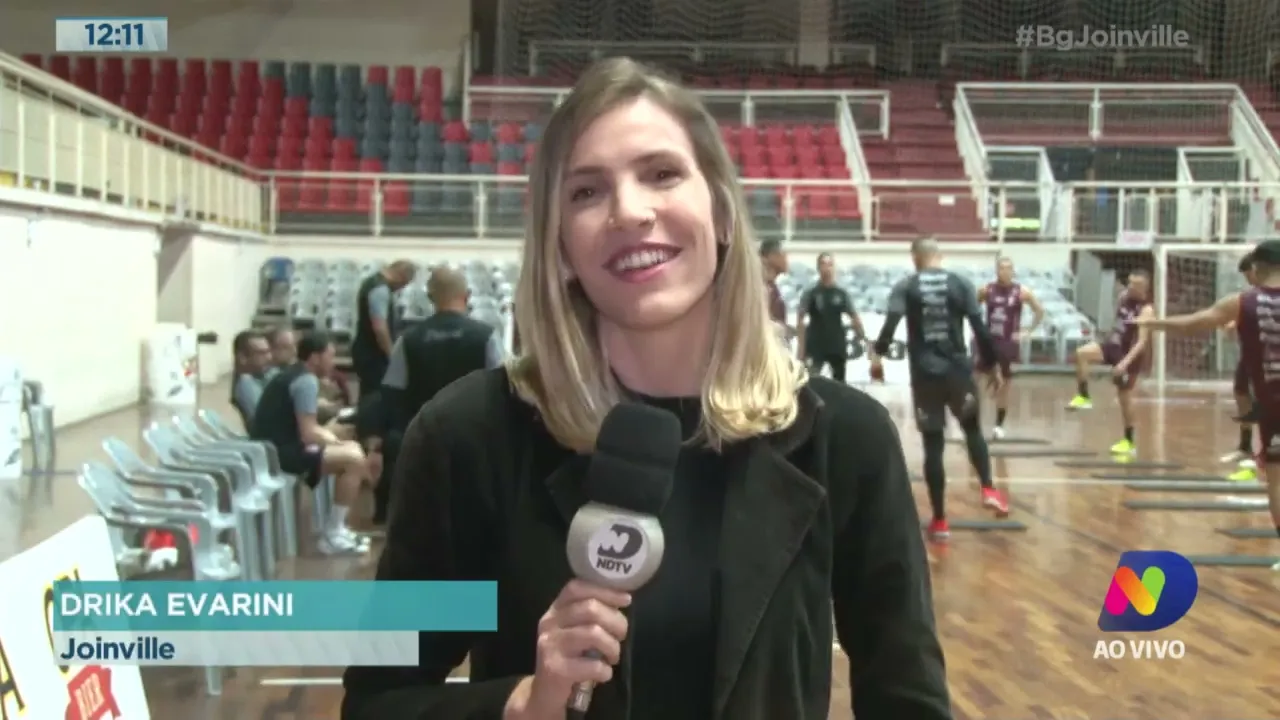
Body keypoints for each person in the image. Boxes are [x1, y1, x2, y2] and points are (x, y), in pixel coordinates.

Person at [341, 58, 950, 720]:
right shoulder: (471, 436)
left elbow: (906, 692)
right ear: (560, 248)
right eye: (586, 192)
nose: (629, 212)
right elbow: (380, 700)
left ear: (721, 212)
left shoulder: (843, 437)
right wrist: (521, 704)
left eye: (661, 174)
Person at [1136, 238, 1280, 570]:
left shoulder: (1242, 302)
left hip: (1274, 407)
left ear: (1256, 268)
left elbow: (1194, 322)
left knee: (1276, 481)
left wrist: (1153, 324)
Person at [870, 237, 1010, 541]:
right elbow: (979, 328)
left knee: (934, 445)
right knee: (972, 429)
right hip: (958, 372)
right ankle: (988, 487)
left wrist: (877, 357)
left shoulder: (906, 286)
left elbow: (891, 323)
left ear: (915, 258)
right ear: (939, 256)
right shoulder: (960, 283)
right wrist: (994, 365)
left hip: (925, 375)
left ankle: (941, 521)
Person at [372, 267, 506, 526]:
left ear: (430, 298)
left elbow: (391, 392)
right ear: (466, 296)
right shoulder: (485, 336)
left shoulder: (408, 340)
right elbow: (502, 386)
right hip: (474, 435)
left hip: (421, 435)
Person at [251, 330, 375, 555]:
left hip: (272, 448)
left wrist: (333, 435)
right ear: (315, 358)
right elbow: (309, 433)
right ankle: (333, 534)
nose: (333, 361)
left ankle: (337, 528)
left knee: (352, 448)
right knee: (354, 459)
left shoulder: (294, 374)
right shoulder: (306, 381)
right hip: (280, 454)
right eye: (330, 355)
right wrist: (335, 441)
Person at [1064, 270, 1155, 456]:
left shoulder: (1147, 310)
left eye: (1133, 285)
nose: (1129, 287)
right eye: (1128, 283)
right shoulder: (1123, 297)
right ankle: (1084, 396)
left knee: (1124, 398)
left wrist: (1124, 363)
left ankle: (1129, 442)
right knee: (1081, 354)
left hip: (1128, 355)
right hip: (1113, 344)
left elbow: (1142, 342)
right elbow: (1118, 322)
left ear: (1143, 288)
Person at [976, 257, 1044, 439]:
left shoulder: (1021, 292)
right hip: (989, 341)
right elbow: (972, 307)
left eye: (1008, 269)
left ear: (1013, 271)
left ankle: (999, 425)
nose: (1005, 272)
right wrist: (977, 329)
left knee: (1005, 385)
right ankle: (973, 421)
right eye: (1001, 268)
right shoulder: (986, 290)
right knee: (977, 380)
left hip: (1008, 343)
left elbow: (1039, 311)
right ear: (996, 271)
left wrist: (1027, 331)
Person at [351, 260, 417, 398]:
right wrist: (391, 355)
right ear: (400, 276)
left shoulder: (370, 283)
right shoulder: (380, 290)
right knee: (375, 397)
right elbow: (380, 328)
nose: (400, 289)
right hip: (373, 356)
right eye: (403, 284)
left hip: (365, 352)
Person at [1221, 250, 1259, 482]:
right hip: (1250, 355)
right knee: (1241, 392)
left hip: (1270, 358)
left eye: (1249, 275)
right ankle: (1245, 447)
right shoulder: (1249, 296)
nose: (1248, 280)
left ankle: (1264, 455)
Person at [796, 253, 864, 382]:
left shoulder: (841, 293)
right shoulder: (811, 293)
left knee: (840, 383)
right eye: (823, 264)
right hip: (815, 345)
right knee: (811, 382)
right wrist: (801, 348)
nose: (827, 268)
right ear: (818, 268)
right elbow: (800, 319)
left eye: (830, 264)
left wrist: (860, 334)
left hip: (836, 344)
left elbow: (854, 316)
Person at [230, 330, 273, 427]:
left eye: (268, 351)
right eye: (262, 353)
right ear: (242, 358)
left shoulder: (260, 378)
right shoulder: (246, 383)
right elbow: (264, 421)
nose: (269, 357)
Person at [759, 239, 790, 338]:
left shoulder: (772, 286)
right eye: (783, 254)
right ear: (771, 256)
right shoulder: (760, 286)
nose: (786, 259)